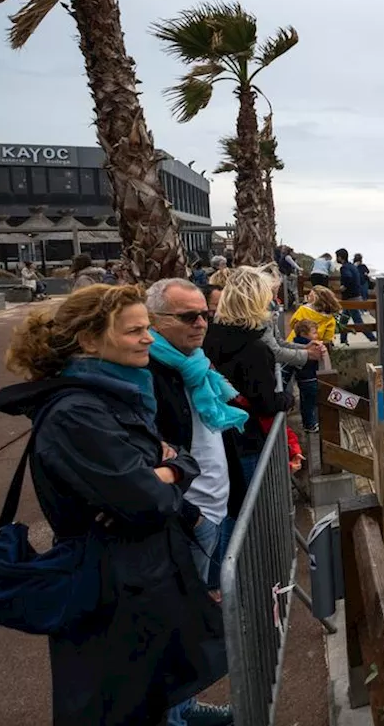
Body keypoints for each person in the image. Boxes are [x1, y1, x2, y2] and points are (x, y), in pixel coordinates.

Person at [0, 284, 226, 724]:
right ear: (88, 340)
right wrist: (170, 472)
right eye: (135, 330)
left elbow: (167, 463)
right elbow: (148, 499)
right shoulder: (76, 413)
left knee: (148, 690)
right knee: (116, 701)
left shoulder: (113, 397)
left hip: (135, 576)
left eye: (146, 328)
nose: (148, 339)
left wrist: (168, 469)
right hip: (108, 587)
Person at [145, 278, 248, 726]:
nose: (202, 322)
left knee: (190, 621)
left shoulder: (196, 367)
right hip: (185, 516)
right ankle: (172, 716)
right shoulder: (150, 373)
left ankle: (183, 707)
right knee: (170, 622)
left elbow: (212, 439)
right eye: (189, 316)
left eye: (205, 313)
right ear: (154, 322)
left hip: (212, 509)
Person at [204, 266, 294, 490]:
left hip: (218, 437)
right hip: (247, 439)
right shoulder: (255, 349)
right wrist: (287, 399)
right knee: (256, 500)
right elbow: (266, 403)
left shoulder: (209, 336)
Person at [336, 248, 375, 344]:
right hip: (356, 296)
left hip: (351, 298)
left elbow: (348, 277)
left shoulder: (344, 268)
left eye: (337, 257)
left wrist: (344, 286)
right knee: (343, 320)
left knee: (358, 321)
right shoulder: (352, 266)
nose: (336, 259)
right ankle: (343, 340)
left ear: (340, 257)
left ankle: (372, 338)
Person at [291, 320, 322, 432]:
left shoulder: (296, 345)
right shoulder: (307, 347)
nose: (316, 335)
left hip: (303, 379)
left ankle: (309, 423)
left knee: (306, 402)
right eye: (314, 333)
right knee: (309, 403)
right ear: (304, 334)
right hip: (309, 378)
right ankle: (310, 424)